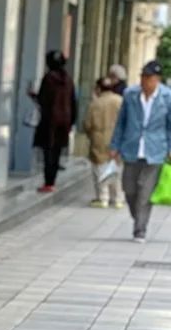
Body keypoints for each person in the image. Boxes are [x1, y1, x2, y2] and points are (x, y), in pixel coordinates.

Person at [109, 59, 171, 242]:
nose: (145, 81)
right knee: (129, 190)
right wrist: (114, 146)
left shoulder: (167, 97)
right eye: (143, 77)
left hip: (155, 151)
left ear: (157, 79)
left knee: (145, 191)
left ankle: (140, 230)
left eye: (149, 78)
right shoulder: (130, 95)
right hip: (132, 149)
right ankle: (139, 218)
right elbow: (121, 123)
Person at [32, 50, 78, 193]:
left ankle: (47, 182)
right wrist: (71, 121)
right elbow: (73, 101)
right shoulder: (68, 80)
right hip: (64, 122)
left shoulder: (49, 78)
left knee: (48, 151)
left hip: (49, 121)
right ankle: (52, 182)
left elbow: (43, 99)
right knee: (56, 151)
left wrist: (33, 95)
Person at [82, 77, 124, 209]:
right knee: (116, 169)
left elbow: (87, 124)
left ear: (99, 89)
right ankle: (117, 198)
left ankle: (103, 197)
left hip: (99, 140)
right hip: (118, 140)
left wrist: (91, 135)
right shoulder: (120, 101)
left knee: (100, 169)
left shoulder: (95, 103)